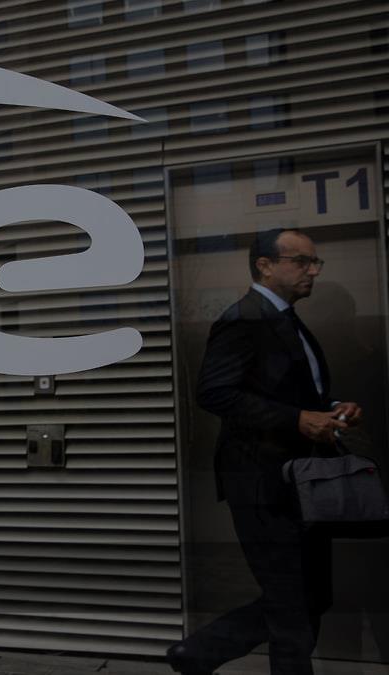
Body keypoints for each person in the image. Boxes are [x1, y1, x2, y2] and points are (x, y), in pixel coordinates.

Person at [167, 229, 363, 674]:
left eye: (315, 262)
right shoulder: (244, 319)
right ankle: (199, 653)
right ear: (265, 265)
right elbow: (215, 392)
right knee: (292, 601)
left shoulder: (284, 319)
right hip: (261, 482)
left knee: (310, 596)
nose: (312, 271)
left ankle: (199, 653)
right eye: (302, 261)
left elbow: (285, 392)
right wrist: (297, 420)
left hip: (298, 480)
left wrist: (332, 409)